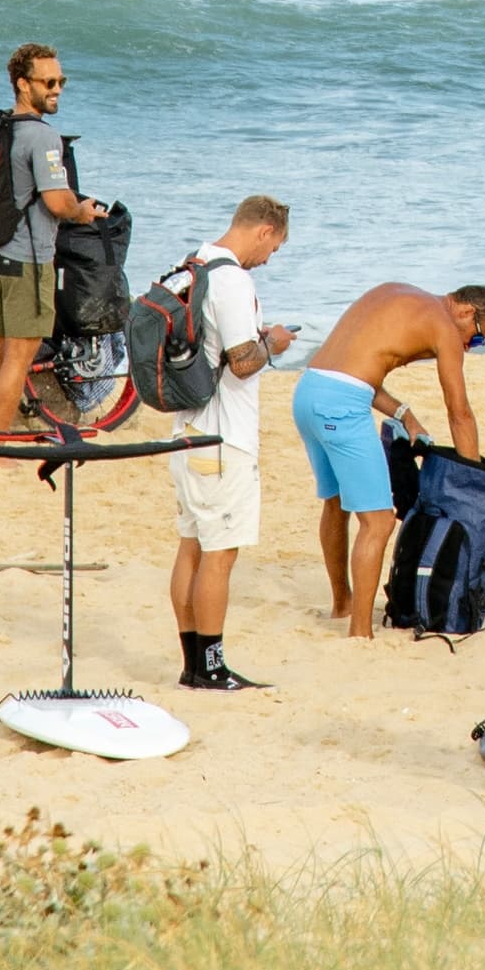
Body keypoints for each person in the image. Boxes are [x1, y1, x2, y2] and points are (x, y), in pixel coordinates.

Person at [295, 278, 485, 636]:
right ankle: (361, 631)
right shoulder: (444, 325)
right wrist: (470, 479)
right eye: (478, 337)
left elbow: (357, 369)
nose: (469, 347)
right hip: (342, 406)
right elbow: (460, 412)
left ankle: (342, 603)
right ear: (467, 312)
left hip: (308, 391)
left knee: (336, 504)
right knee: (378, 522)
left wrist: (404, 413)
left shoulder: (396, 292)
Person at [163, 195, 293, 694]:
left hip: (185, 432)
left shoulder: (191, 265)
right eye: (273, 248)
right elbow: (241, 361)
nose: (268, 258)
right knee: (220, 554)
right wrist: (274, 343)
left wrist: (252, 341)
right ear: (263, 230)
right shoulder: (234, 279)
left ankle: (192, 664)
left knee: (192, 546)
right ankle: (213, 667)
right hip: (223, 438)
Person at [0, 43, 112, 437]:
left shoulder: (4, 130)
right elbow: (55, 200)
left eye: (61, 81)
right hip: (27, 260)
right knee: (18, 356)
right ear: (22, 84)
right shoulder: (43, 138)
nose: (57, 89)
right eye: (48, 82)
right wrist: (81, 210)